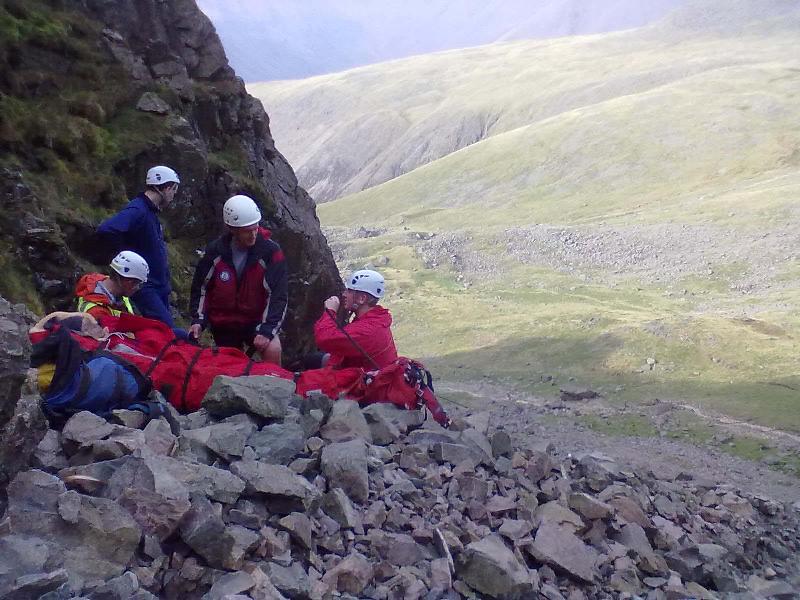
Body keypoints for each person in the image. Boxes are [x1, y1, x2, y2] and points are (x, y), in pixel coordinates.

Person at [188, 194, 287, 364]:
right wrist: (198, 321)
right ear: (232, 229)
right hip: (224, 323)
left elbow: (278, 295)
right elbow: (201, 287)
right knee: (229, 364)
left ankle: (275, 385)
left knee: (273, 349)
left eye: (256, 228)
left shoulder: (270, 252)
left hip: (254, 321)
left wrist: (267, 330)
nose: (253, 235)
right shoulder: (216, 251)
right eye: (247, 231)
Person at [95, 165, 180, 327]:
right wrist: (125, 257)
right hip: (146, 287)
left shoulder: (150, 212)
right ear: (166, 187)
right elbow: (108, 229)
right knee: (167, 332)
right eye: (174, 189)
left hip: (157, 286)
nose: (174, 194)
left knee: (164, 333)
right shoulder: (138, 210)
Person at [313, 269, 398, 370]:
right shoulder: (375, 320)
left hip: (364, 383)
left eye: (349, 291)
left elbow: (324, 339)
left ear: (362, 298)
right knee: (313, 359)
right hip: (367, 375)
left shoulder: (367, 330)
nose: (344, 294)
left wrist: (330, 311)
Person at [74, 251, 149, 320]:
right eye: (137, 284)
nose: (137, 288)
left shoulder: (118, 294)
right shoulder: (97, 312)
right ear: (128, 282)